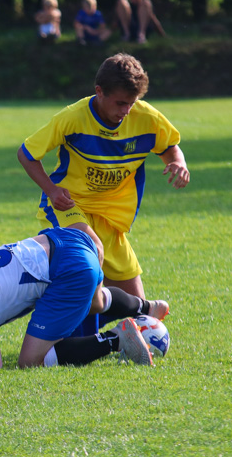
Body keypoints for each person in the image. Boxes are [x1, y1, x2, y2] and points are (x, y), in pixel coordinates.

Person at [17, 54, 189, 299]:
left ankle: (101, 334)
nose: (127, 111)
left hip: (110, 217)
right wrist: (52, 191)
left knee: (139, 306)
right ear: (99, 91)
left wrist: (178, 163)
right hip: (69, 206)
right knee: (90, 254)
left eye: (132, 102)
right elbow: (26, 154)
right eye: (120, 103)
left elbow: (170, 147)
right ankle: (64, 331)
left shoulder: (147, 118)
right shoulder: (72, 118)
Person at [0, 225, 168, 370]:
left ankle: (116, 339)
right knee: (94, 302)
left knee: (30, 361)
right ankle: (148, 307)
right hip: (70, 239)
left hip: (70, 268)